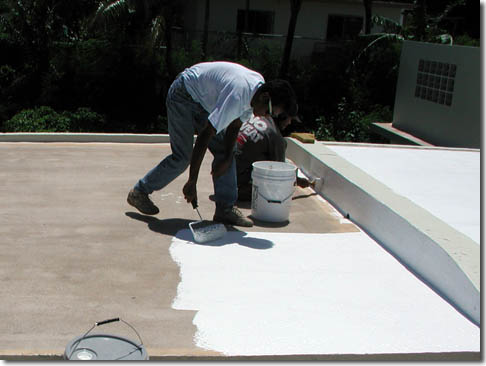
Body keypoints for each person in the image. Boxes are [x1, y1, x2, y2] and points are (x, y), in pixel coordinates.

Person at [127, 61, 298, 227]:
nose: (266, 116)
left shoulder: (256, 94)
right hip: (183, 93)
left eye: (272, 115)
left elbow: (234, 126)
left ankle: (225, 209)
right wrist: (192, 182)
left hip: (202, 101)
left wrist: (226, 159)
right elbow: (205, 135)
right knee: (182, 157)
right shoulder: (239, 94)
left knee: (228, 151)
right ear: (265, 97)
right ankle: (139, 192)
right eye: (269, 111)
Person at [235, 113, 312, 202]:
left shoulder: (257, 115)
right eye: (289, 119)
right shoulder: (275, 136)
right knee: (275, 188)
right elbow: (280, 171)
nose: (289, 123)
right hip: (238, 183)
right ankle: (242, 190)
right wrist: (298, 180)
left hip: (226, 174)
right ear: (283, 116)